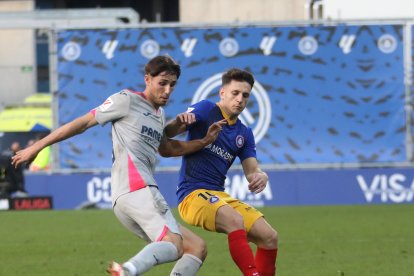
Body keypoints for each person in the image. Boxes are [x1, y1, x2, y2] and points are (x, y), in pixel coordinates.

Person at [12, 55, 226, 276]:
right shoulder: (127, 100)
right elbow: (83, 123)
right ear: (147, 79)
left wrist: (204, 142)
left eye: (172, 84)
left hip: (127, 199)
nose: (168, 89)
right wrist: (37, 146)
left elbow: (168, 149)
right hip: (138, 189)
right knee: (173, 244)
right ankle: (126, 270)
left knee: (196, 248)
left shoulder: (159, 115)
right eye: (162, 82)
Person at [165, 68, 278, 276]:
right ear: (222, 93)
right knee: (235, 220)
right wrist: (178, 122)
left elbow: (252, 170)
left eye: (245, 95)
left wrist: (260, 176)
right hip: (192, 195)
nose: (240, 99)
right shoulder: (207, 110)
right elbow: (169, 132)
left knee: (269, 236)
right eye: (235, 93)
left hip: (219, 196)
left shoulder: (244, 133)